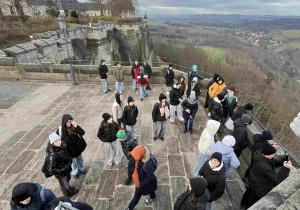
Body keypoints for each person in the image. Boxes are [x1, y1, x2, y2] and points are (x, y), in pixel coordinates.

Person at [240, 145, 292, 209]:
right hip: (260, 187)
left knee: (249, 193)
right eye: (273, 154)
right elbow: (278, 181)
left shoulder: (259, 154)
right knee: (253, 202)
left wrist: (283, 160)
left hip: (254, 180)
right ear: (267, 154)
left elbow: (272, 163)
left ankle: (242, 204)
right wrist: (285, 168)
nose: (274, 155)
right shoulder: (265, 167)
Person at [125, 145, 158, 210]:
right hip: (142, 180)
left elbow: (150, 177)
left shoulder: (148, 164)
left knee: (136, 197)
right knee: (151, 190)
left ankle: (129, 208)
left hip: (142, 183)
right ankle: (153, 197)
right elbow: (130, 166)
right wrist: (130, 176)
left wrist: (140, 185)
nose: (133, 158)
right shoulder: (135, 156)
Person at [46, 133, 78, 197]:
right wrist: (62, 170)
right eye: (55, 141)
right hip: (61, 173)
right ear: (52, 143)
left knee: (67, 180)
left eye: (58, 140)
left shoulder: (61, 145)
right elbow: (51, 170)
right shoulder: (52, 155)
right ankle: (68, 194)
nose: (58, 142)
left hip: (66, 169)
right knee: (64, 184)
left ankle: (69, 188)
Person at [57, 114, 87, 179]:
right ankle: (75, 172)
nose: (69, 123)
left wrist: (76, 126)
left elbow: (83, 133)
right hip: (69, 150)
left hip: (77, 148)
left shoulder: (74, 126)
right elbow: (57, 139)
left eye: (70, 121)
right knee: (73, 163)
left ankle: (81, 169)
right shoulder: (60, 130)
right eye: (67, 122)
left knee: (80, 160)